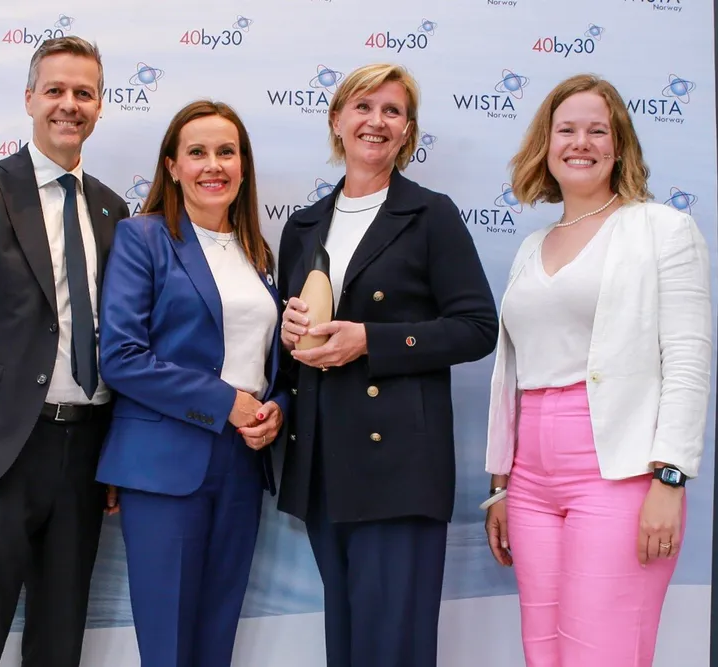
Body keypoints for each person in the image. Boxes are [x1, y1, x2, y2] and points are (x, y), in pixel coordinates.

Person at [483, 74, 713, 666]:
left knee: (601, 655)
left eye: (597, 130)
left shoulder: (662, 228)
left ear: (619, 145)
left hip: (618, 473)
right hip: (529, 481)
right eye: (566, 130)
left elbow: (687, 360)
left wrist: (670, 480)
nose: (580, 142)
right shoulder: (532, 246)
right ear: (546, 144)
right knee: (543, 655)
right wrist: (501, 486)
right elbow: (515, 372)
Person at [278, 63, 499, 667]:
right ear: (337, 121)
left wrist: (370, 341)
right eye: (363, 106)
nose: (376, 120)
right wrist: (288, 334)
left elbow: (477, 327)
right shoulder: (302, 227)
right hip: (323, 463)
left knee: (392, 647)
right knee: (347, 646)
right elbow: (295, 344)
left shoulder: (430, 214)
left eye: (392, 110)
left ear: (407, 131)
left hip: (399, 466)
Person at [0, 36, 128, 667]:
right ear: (30, 98)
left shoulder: (112, 209)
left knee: (59, 640)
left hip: (85, 452)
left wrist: (115, 455)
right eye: (56, 90)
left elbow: (120, 337)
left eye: (84, 93)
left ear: (100, 105)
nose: (70, 104)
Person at [96, 100, 286, 667]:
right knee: (169, 643)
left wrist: (275, 407)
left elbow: (266, 360)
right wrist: (226, 403)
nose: (213, 165)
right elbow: (121, 357)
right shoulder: (143, 237)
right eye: (197, 152)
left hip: (242, 461)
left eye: (226, 152)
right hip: (164, 462)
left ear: (243, 166)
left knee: (216, 637)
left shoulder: (258, 252)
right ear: (172, 167)